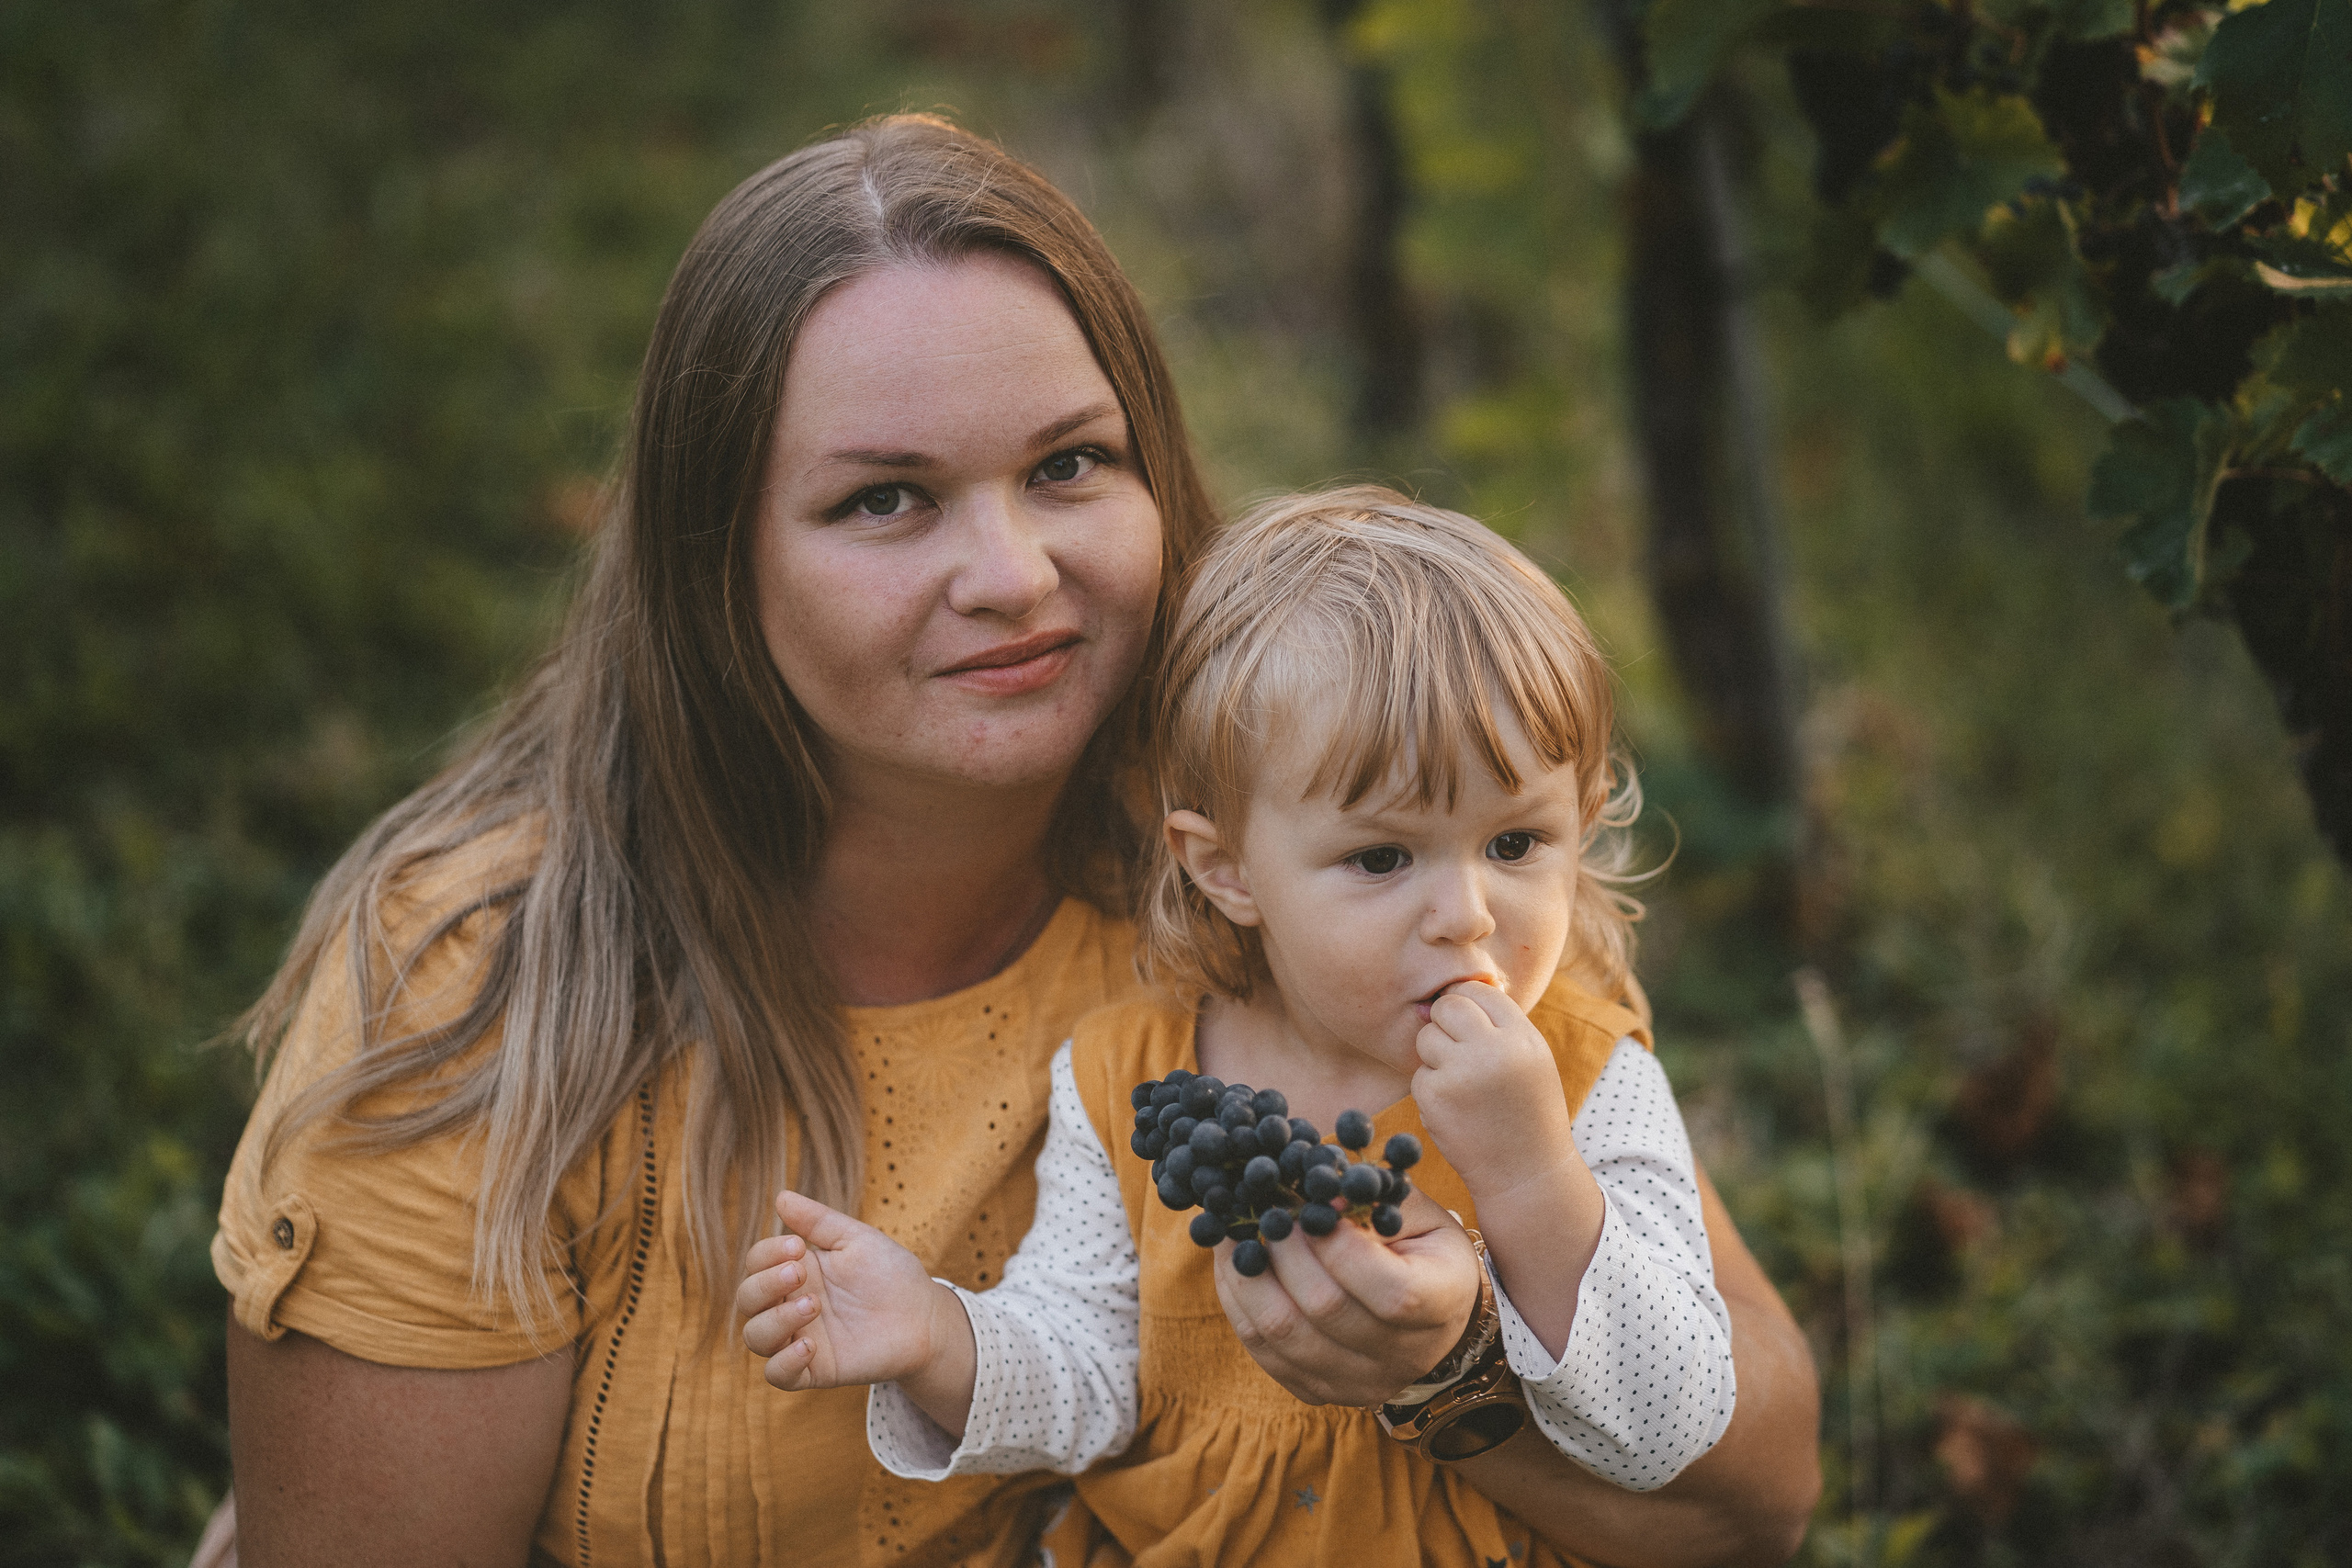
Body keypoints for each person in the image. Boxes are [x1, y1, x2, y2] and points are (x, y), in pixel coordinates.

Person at [206, 115, 1818, 1567]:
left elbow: (1749, 1493)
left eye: (1068, 466)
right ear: (718, 563)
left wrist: (1453, 1369)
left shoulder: (1318, 872)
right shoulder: (482, 992)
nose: (1015, 574)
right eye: (886, 501)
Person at [738, 489, 1736, 1564]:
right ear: (1225, 869)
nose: (1467, 915)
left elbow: (1669, 1430)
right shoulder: (1132, 1077)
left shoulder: (1585, 1076)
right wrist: (936, 1336)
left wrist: (1533, 1177)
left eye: (1515, 842)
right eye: (1381, 858)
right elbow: (1090, 1375)